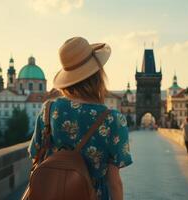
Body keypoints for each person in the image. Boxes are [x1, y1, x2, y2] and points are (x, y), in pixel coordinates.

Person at [27, 37, 132, 200]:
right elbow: (114, 182)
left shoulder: (49, 110)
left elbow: (36, 156)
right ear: (98, 75)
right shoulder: (113, 120)